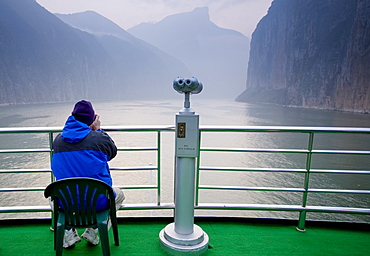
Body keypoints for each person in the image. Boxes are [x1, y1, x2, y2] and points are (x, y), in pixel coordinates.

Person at [51, 100, 125, 248]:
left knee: (53, 196)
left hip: (66, 202)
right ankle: (93, 231)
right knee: (119, 195)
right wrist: (97, 130)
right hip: (97, 201)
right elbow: (112, 153)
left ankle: (68, 233)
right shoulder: (98, 138)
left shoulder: (58, 141)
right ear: (92, 120)